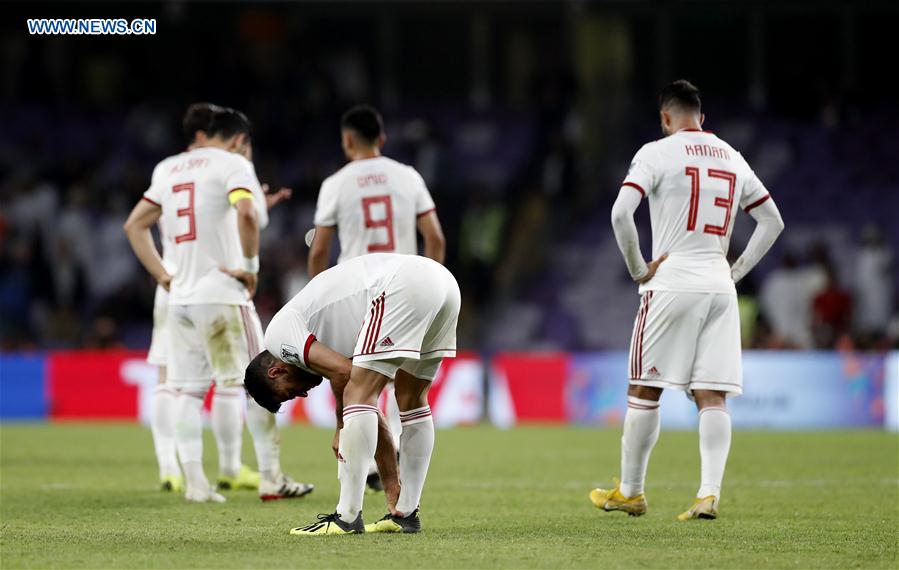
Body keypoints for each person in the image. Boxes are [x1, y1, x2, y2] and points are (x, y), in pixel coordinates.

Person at [594, 80, 784, 520]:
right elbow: (772, 222)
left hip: (672, 281)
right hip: (719, 286)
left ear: (665, 117)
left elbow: (621, 213)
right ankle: (708, 493)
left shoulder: (656, 152)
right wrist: (734, 272)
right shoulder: (732, 156)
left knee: (644, 388)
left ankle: (631, 492)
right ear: (702, 117)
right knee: (712, 395)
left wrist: (638, 269)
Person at [123, 106, 310, 503]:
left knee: (188, 393)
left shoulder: (168, 168)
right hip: (223, 294)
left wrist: (163, 276)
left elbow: (134, 225)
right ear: (240, 140)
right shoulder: (232, 164)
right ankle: (271, 477)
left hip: (181, 298)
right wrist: (251, 267)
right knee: (261, 380)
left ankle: (195, 483)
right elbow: (246, 213)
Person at [243, 253, 460, 535]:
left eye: (289, 394)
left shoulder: (277, 338)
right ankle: (405, 513)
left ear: (276, 372)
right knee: (411, 400)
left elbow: (346, 377)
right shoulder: (313, 331)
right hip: (443, 282)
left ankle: (346, 518)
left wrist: (340, 427)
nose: (302, 395)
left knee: (361, 394)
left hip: (403, 285)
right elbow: (364, 401)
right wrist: (391, 482)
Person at [307, 104, 446, 492]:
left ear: (347, 140)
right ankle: (400, 464)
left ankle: (365, 464)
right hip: (407, 288)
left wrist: (318, 294)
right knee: (407, 385)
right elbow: (435, 237)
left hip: (356, 292)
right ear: (382, 139)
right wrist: (432, 284)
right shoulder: (408, 176)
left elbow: (320, 248)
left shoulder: (336, 183)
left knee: (358, 383)